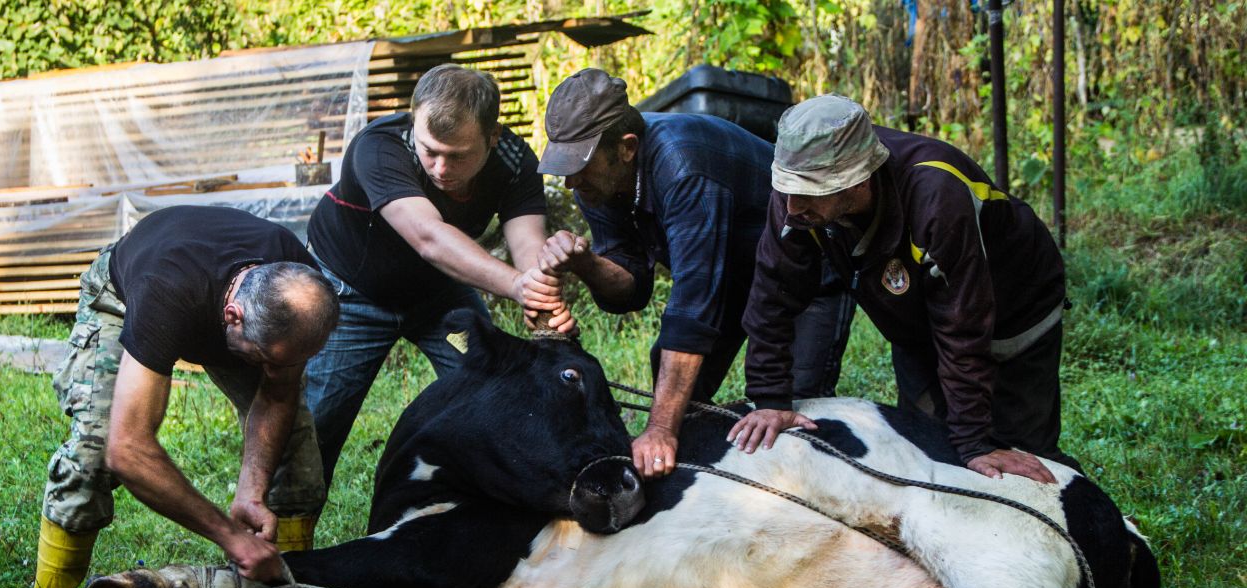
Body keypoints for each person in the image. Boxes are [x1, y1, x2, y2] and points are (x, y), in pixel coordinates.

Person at [11, 205, 340, 588]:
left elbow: (279, 391)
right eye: (266, 360)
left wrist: (252, 489)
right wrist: (232, 538)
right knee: (91, 457)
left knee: (298, 456)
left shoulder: (295, 291)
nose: (273, 372)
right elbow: (129, 449)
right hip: (124, 295)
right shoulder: (167, 291)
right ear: (233, 318)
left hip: (238, 315)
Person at [731, 94, 1074, 483]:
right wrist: (770, 398)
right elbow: (771, 292)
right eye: (786, 187)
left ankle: (1096, 525)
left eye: (808, 190)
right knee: (927, 443)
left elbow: (963, 328)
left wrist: (976, 443)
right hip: (915, 316)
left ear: (857, 179)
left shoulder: (935, 195)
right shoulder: (796, 201)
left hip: (1014, 304)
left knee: (1018, 453)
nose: (792, 205)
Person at [535, 68, 838, 479]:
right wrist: (586, 263)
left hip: (807, 274)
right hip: (734, 274)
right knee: (681, 391)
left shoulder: (683, 165)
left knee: (795, 405)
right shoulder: (597, 183)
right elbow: (632, 289)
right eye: (564, 164)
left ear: (626, 148)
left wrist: (660, 429)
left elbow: (693, 306)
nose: (571, 180)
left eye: (580, 165)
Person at [305, 63, 570, 484]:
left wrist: (542, 298)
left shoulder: (515, 161)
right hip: (351, 291)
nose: (441, 168)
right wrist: (518, 286)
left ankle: (497, 508)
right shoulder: (378, 147)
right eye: (431, 151)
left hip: (438, 293)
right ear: (415, 124)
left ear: (493, 137)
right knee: (315, 427)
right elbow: (429, 237)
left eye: (459, 155)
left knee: (497, 392)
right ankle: (278, 542)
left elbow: (527, 246)